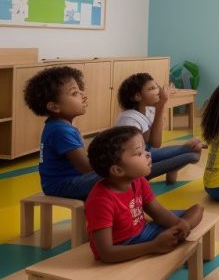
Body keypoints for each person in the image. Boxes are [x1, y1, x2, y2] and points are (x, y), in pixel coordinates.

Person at [85, 126, 203, 262]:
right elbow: (106, 253)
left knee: (197, 210)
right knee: (182, 226)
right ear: (117, 170)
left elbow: (158, 212)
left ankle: (176, 236)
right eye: (139, 153)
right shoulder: (100, 200)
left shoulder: (138, 181)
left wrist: (180, 224)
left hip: (144, 231)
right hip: (124, 245)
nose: (148, 154)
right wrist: (153, 246)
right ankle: (172, 240)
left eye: (145, 150)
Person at [24, 66, 99, 200]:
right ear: (54, 107)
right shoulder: (61, 130)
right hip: (63, 185)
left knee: (123, 172)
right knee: (121, 174)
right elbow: (87, 168)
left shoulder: (60, 125)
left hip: (67, 182)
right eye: (75, 93)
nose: (83, 95)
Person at [115, 73, 202, 184]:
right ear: (137, 96)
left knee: (196, 147)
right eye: (151, 88)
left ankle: (172, 168)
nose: (157, 91)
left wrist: (160, 106)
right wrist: (161, 104)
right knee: (193, 156)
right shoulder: (130, 119)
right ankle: (169, 168)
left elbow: (154, 144)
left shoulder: (149, 111)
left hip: (147, 154)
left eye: (157, 86)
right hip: (135, 168)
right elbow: (152, 145)